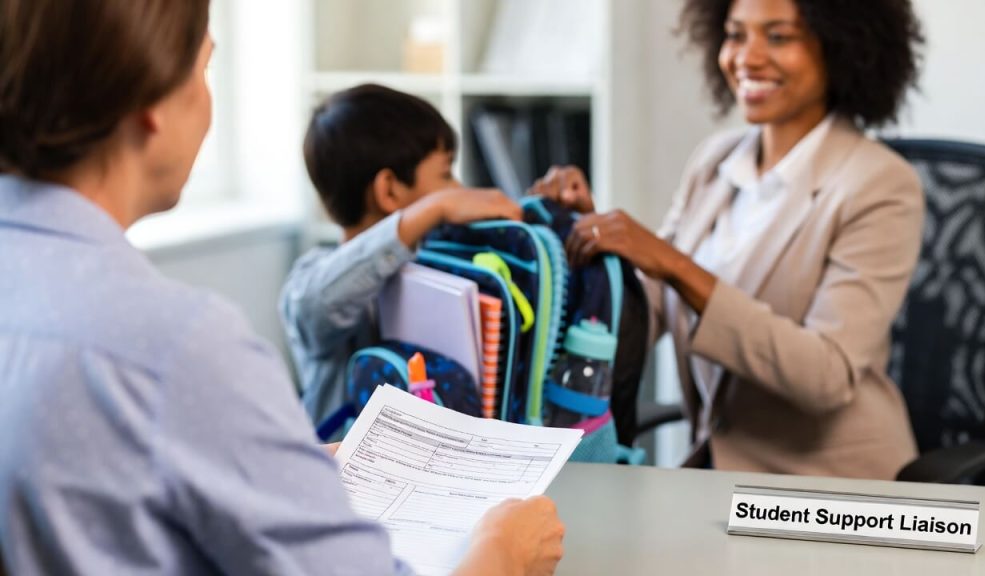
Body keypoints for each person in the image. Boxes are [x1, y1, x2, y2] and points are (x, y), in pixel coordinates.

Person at [0, 2, 563, 574]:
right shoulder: (177, 347)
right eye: (205, 68)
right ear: (152, 103)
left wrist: (283, 464)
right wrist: (505, 550)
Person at [533, 0, 926, 479]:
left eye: (778, 36)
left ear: (841, 48)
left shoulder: (879, 184)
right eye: (736, 34)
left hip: (830, 486)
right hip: (717, 473)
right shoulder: (714, 162)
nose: (747, 57)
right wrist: (593, 248)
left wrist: (676, 266)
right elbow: (648, 309)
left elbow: (827, 375)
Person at [280, 84, 522, 433]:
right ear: (389, 190)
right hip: (336, 461)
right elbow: (314, 304)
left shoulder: (433, 263)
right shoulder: (311, 276)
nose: (457, 189)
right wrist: (434, 208)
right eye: (446, 174)